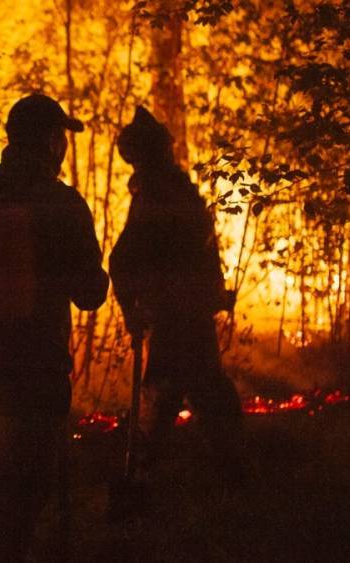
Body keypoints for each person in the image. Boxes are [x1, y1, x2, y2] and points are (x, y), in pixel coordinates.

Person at [0, 94, 109, 561]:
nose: (63, 144)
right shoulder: (60, 202)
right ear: (48, 140)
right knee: (35, 458)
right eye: (60, 135)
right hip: (38, 350)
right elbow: (89, 293)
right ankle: (8, 550)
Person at [109, 106, 243, 484]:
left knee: (175, 393)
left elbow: (126, 260)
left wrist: (131, 308)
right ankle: (219, 476)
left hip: (175, 314)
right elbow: (132, 259)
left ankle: (148, 477)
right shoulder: (171, 192)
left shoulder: (159, 194)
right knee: (194, 392)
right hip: (182, 314)